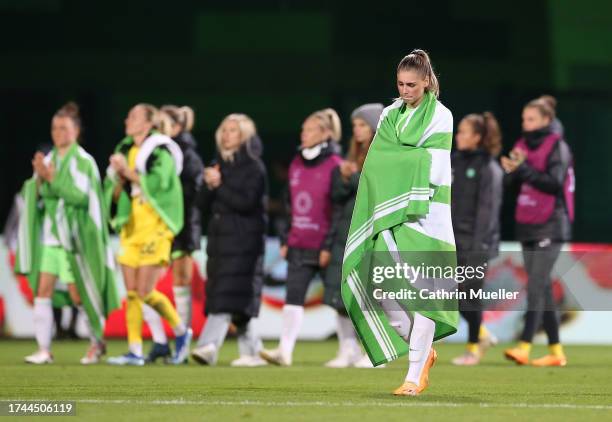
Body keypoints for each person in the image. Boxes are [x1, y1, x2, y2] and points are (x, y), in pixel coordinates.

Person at [342, 49, 458, 396]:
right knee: (379, 287)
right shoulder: (390, 114)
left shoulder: (441, 115)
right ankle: (423, 353)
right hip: (389, 209)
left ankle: (414, 373)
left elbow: (434, 166)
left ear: (426, 81)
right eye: (400, 84)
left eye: (411, 84)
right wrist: (400, 159)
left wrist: (397, 159)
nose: (405, 90)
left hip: (426, 212)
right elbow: (375, 162)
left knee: (423, 293)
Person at [15, 102, 120, 364]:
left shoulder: (84, 162)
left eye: (63, 128)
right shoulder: (49, 161)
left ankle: (97, 342)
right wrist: (38, 182)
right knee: (43, 290)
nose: (58, 133)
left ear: (76, 131)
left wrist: (50, 181)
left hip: (76, 239)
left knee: (78, 294)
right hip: (51, 238)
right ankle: (44, 349)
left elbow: (84, 198)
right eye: (54, 128)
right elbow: (38, 199)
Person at [104, 103, 191, 366]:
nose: (127, 120)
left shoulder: (161, 150)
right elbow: (116, 189)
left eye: (133, 116)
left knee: (145, 291)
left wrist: (128, 173)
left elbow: (160, 183)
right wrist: (119, 179)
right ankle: (135, 350)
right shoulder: (124, 149)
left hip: (156, 226)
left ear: (148, 123)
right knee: (131, 293)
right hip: (132, 225)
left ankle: (181, 332)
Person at [259, 109, 343, 366]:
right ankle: (284, 350)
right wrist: (285, 238)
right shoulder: (296, 162)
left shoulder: (336, 165)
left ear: (325, 134)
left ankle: (352, 350)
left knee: (341, 300)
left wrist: (329, 245)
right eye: (303, 129)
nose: (303, 134)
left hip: (327, 246)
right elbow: (288, 203)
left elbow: (340, 210)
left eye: (309, 130)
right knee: (293, 297)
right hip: (298, 244)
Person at [501, 98, 574, 367]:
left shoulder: (558, 147)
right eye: (524, 119)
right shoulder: (521, 145)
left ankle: (524, 345)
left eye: (531, 119)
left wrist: (523, 169)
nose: (525, 124)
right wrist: (509, 172)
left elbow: (554, 184)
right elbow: (511, 181)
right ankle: (556, 352)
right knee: (540, 285)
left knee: (535, 283)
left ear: (545, 120)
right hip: (527, 222)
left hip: (551, 224)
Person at [190, 113, 268, 367]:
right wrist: (208, 185)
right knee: (236, 298)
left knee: (225, 296)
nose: (226, 134)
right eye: (224, 129)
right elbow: (201, 205)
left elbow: (246, 203)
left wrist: (220, 185)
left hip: (244, 242)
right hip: (220, 243)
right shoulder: (218, 164)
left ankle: (208, 347)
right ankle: (253, 352)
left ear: (244, 135)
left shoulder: (254, 167)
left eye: (233, 130)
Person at [323, 103, 384, 368]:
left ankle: (374, 352)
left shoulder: (384, 153)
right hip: (345, 231)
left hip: (370, 231)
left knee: (368, 295)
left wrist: (354, 177)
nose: (357, 130)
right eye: (355, 126)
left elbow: (378, 189)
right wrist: (344, 178)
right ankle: (347, 349)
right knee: (341, 294)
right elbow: (337, 196)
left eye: (362, 125)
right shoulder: (350, 156)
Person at [141, 105, 204, 363]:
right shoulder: (153, 152)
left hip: (180, 226)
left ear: (176, 127)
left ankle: (182, 343)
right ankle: (159, 340)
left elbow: (193, 195)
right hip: (154, 225)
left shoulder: (187, 155)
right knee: (143, 286)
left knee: (180, 283)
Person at [450, 112, 504, 366]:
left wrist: (477, 247)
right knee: (451, 297)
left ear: (478, 137)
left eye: (463, 131)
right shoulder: (453, 162)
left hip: (475, 244)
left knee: (469, 296)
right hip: (452, 240)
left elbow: (487, 212)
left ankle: (473, 348)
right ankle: (481, 336)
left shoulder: (489, 168)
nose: (457, 136)